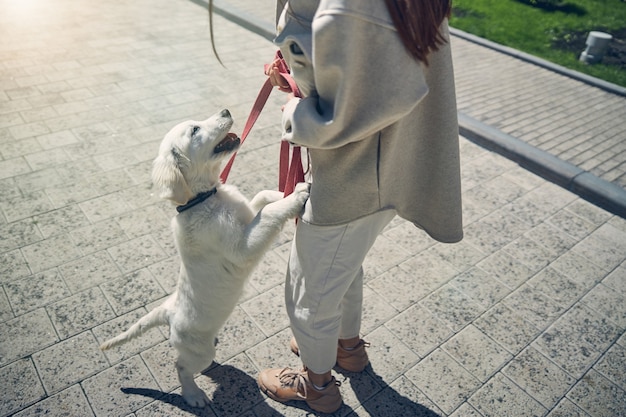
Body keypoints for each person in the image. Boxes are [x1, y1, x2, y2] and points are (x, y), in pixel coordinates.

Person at [257, 0, 463, 413]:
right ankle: (346, 347)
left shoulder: (346, 6)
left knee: (309, 291)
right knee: (343, 268)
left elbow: (354, 109)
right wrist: (302, 74)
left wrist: (298, 109)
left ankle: (317, 387)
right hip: (394, 163)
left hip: (352, 176)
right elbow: (374, 72)